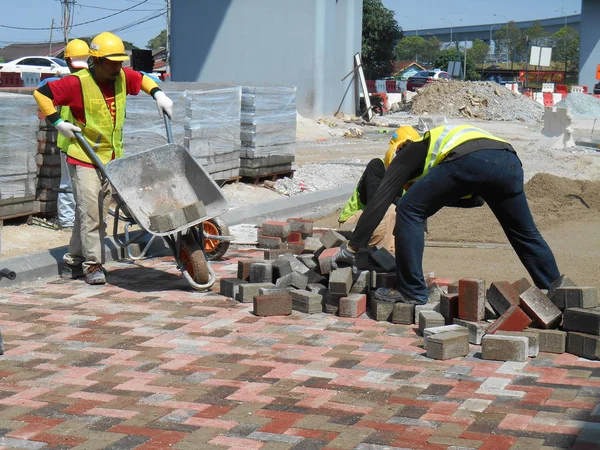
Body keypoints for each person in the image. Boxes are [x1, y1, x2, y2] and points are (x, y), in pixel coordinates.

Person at [331, 124, 560, 305]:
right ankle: (557, 293)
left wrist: (353, 248)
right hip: (509, 161)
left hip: (471, 158)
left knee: (408, 208)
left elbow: (379, 203)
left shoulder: (407, 152)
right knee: (525, 234)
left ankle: (411, 291)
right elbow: (476, 200)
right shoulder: (442, 151)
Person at [33, 31, 174, 285]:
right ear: (96, 61)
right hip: (83, 156)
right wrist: (58, 122)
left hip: (111, 158)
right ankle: (93, 265)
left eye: (121, 61)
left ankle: (73, 260)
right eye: (113, 62)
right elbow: (41, 94)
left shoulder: (120, 76)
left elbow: (141, 78)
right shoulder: (78, 83)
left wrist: (158, 94)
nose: (118, 67)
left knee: (90, 212)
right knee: (94, 213)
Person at [338, 126, 420, 253]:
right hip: (355, 224)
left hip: (384, 226)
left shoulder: (409, 175)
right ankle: (376, 260)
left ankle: (385, 257)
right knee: (389, 210)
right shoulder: (377, 167)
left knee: (405, 248)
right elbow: (376, 204)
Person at [39, 39, 91, 229]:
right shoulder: (94, 83)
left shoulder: (65, 83)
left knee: (69, 183)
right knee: (84, 185)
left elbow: (42, 91)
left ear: (68, 61)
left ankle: (69, 220)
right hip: (89, 142)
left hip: (70, 141)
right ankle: (79, 220)